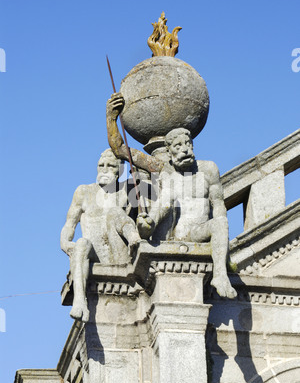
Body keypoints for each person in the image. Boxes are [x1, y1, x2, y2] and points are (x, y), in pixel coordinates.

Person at [106, 93, 237, 299]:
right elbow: (120, 149)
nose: (184, 150)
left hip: (202, 231)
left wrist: (224, 248)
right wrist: (111, 119)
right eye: (178, 146)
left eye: (187, 144)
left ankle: (220, 275)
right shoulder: (165, 171)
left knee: (220, 223)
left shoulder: (209, 170)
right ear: (169, 151)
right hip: (182, 234)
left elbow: (219, 206)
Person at [60, 148, 140, 322]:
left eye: (110, 166)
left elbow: (151, 187)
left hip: (118, 252)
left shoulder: (128, 189)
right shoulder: (84, 192)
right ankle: (80, 301)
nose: (104, 169)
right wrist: (66, 244)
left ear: (119, 170)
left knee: (115, 213)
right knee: (81, 243)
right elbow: (69, 225)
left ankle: (133, 236)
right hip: (92, 253)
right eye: (101, 165)